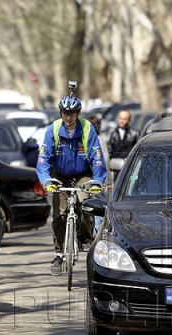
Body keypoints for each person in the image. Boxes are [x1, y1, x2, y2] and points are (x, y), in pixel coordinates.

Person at [37, 95, 107, 276]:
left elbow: (97, 158)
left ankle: (84, 236)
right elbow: (43, 159)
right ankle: (59, 253)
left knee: (85, 203)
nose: (68, 117)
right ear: (61, 113)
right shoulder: (53, 129)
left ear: (78, 114)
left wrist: (98, 181)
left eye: (72, 114)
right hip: (60, 175)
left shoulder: (87, 128)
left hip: (83, 174)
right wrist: (46, 180)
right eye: (65, 113)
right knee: (59, 215)